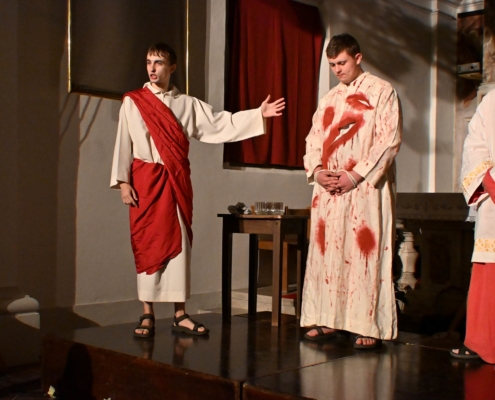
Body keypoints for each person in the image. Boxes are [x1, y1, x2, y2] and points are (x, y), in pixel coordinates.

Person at [110, 43, 285, 338]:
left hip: (175, 181)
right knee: (146, 243)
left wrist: (258, 114)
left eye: (159, 62)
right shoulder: (133, 101)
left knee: (178, 245)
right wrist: (123, 182)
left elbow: (219, 122)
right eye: (149, 62)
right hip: (145, 182)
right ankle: (147, 313)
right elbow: (123, 140)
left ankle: (180, 314)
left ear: (172, 68)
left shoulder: (187, 104)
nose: (152, 68)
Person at [301, 34, 402, 348]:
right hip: (330, 190)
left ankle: (367, 325)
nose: (337, 70)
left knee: (363, 254)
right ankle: (328, 319)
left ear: (358, 58)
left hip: (364, 189)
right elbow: (313, 139)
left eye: (342, 62)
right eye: (332, 65)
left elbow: (389, 139)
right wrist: (318, 171)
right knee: (329, 254)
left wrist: (356, 175)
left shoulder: (382, 91)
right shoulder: (329, 98)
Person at [451, 88, 495, 363]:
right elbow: (474, 145)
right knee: (490, 269)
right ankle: (484, 341)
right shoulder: (492, 100)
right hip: (493, 196)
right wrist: (488, 179)